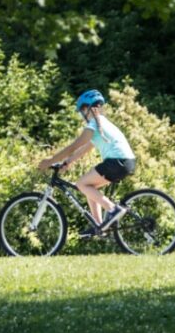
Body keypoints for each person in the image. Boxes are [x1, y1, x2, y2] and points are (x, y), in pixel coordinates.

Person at [37, 89, 137, 236]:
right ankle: (99, 226)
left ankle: (113, 209)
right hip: (127, 162)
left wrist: (50, 161)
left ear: (86, 109)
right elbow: (85, 148)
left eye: (80, 112)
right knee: (89, 187)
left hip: (116, 162)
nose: (81, 115)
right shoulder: (101, 123)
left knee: (81, 184)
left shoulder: (94, 124)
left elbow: (74, 146)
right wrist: (68, 162)